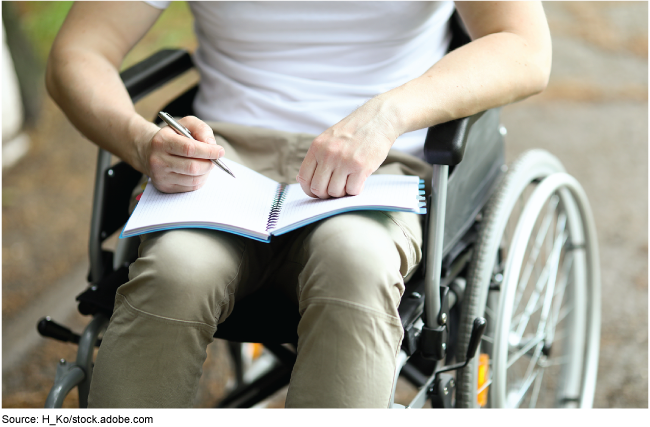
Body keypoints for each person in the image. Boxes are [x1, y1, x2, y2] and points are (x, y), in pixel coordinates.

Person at [46, 1, 551, 408]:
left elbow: (525, 47)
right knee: (177, 272)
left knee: (354, 263)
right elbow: (80, 51)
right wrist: (140, 142)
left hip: (380, 159)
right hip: (224, 160)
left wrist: (390, 111)